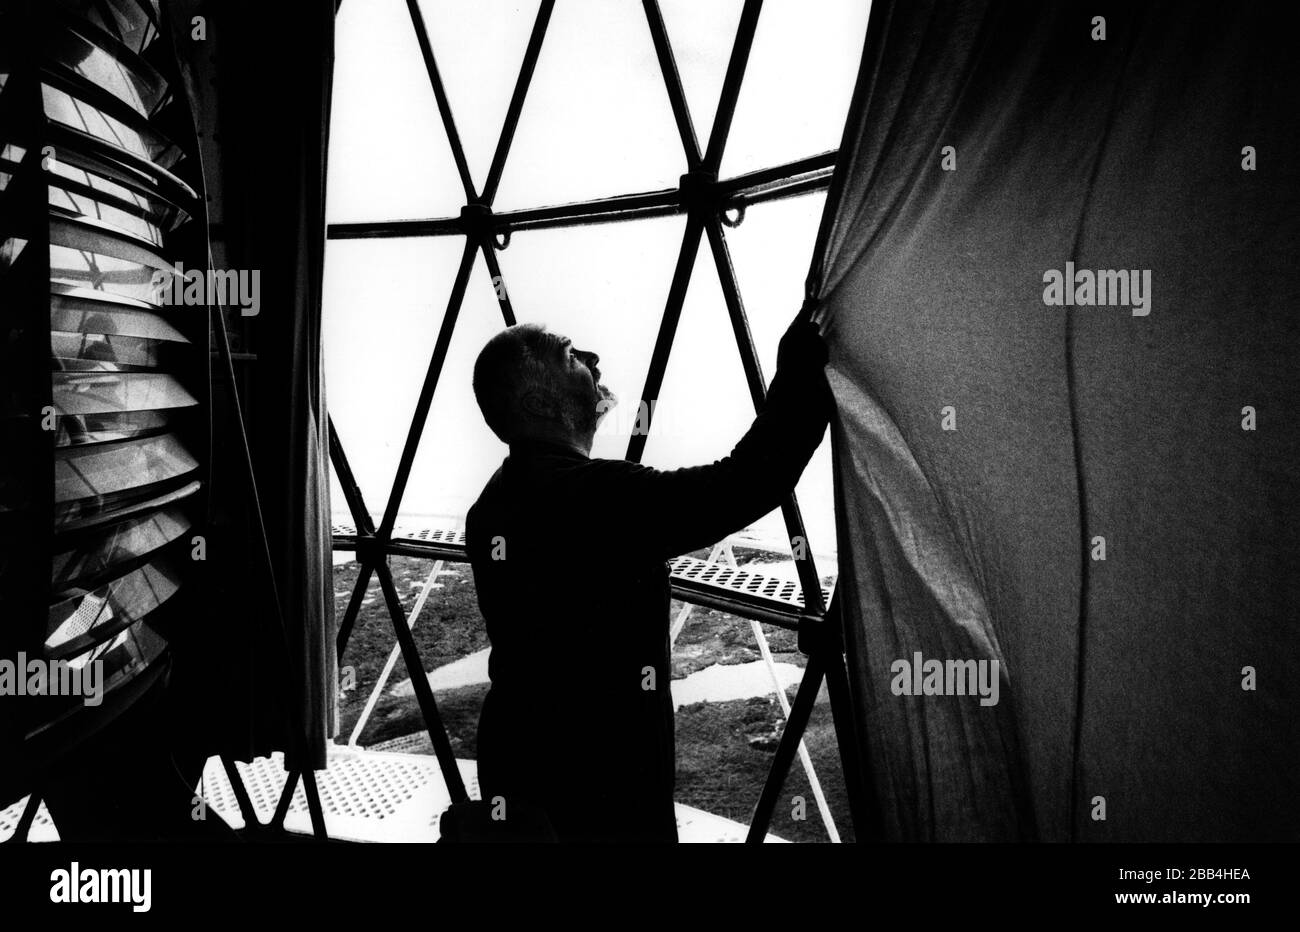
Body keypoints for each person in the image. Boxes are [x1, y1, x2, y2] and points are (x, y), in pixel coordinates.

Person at [464, 313, 832, 842]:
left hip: (523, 766)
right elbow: (748, 482)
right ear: (537, 403)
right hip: (600, 789)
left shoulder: (496, 499)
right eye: (570, 354)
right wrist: (801, 371)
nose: (592, 361)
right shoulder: (595, 495)